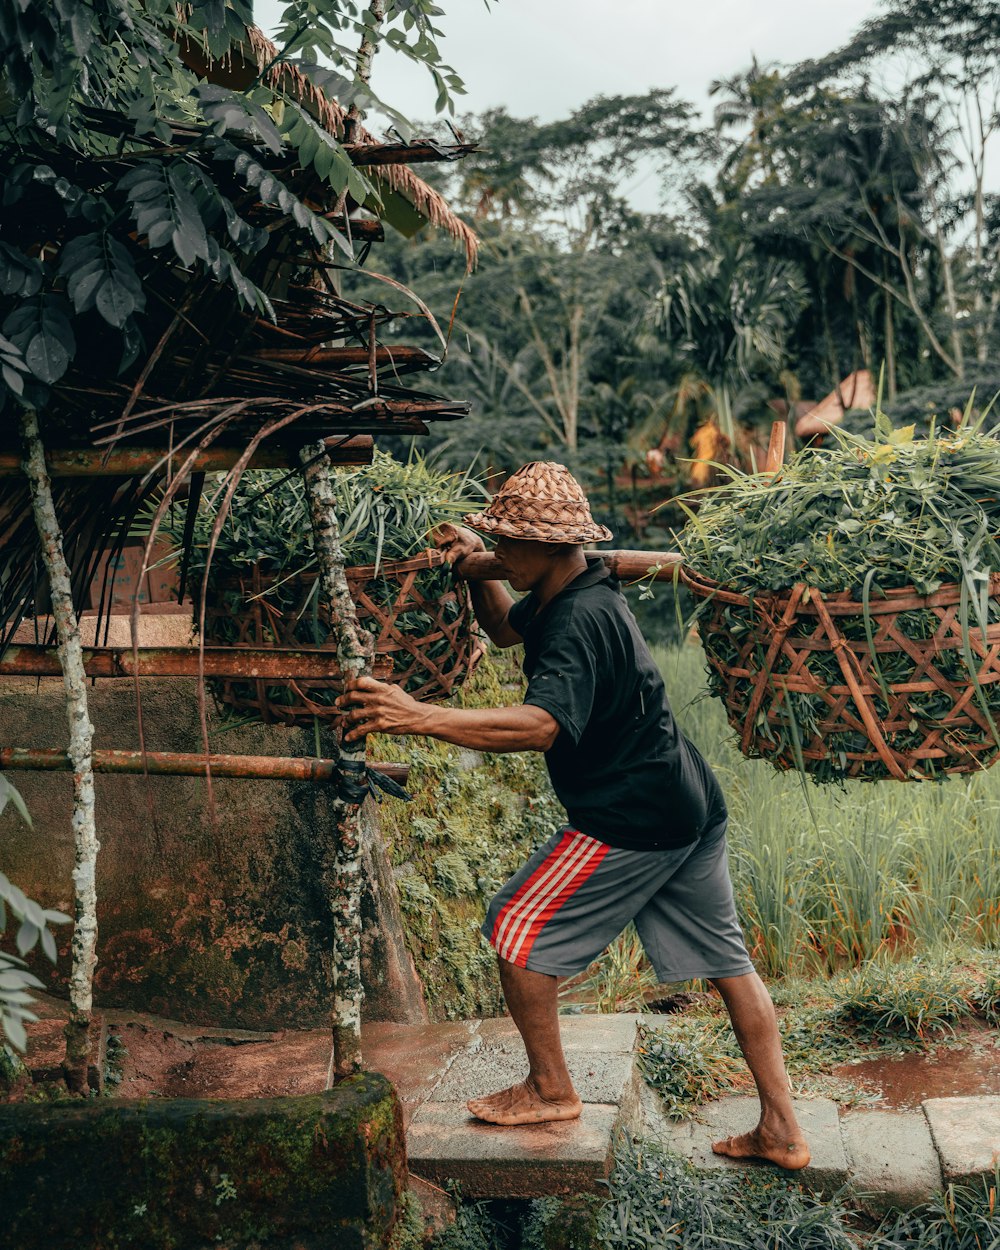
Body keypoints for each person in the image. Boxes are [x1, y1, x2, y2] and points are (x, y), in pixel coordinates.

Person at [337, 461, 810, 1170]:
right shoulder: (577, 585)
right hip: (686, 800)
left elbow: (540, 726)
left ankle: (551, 1089)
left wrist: (418, 715)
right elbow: (501, 630)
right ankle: (783, 1129)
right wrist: (478, 564)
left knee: (514, 927)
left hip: (632, 816)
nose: (500, 553)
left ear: (552, 547)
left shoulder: (580, 620)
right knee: (729, 964)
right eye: (495, 539)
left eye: (508, 544)